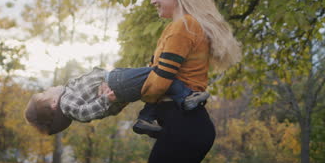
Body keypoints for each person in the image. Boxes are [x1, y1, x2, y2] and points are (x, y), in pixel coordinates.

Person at [140, 0, 242, 163]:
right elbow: (157, 72)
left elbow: (159, 82)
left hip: (183, 127)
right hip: (187, 126)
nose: (152, 1)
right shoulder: (186, 26)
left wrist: (137, 91)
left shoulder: (183, 27)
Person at [24, 66, 209, 136]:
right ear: (53, 103)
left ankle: (145, 118)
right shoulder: (66, 104)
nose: (50, 87)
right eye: (45, 92)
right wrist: (105, 99)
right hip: (115, 83)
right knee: (160, 72)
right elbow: (85, 113)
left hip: (116, 86)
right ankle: (186, 96)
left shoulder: (68, 96)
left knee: (154, 86)